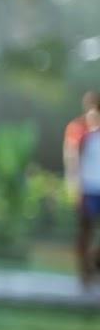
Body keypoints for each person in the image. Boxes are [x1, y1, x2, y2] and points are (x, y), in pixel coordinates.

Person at [64, 90, 100, 289]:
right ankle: (84, 273)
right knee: (85, 231)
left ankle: (94, 266)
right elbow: (72, 160)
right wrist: (74, 185)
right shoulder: (80, 130)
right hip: (87, 188)